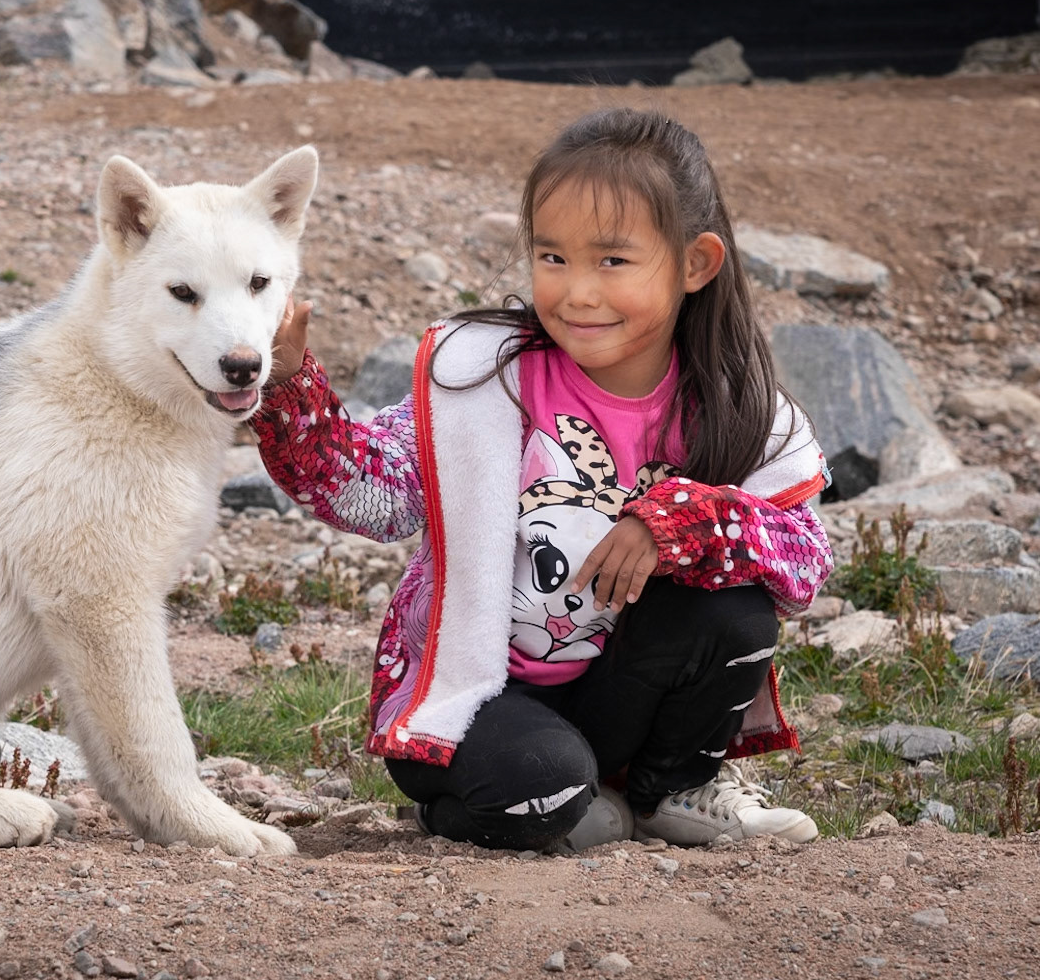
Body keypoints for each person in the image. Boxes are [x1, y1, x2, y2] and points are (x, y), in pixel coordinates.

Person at [251, 107, 833, 852]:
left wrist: (680, 519)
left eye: (611, 261)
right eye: (552, 257)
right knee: (541, 781)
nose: (576, 292)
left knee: (735, 614)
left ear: (695, 264)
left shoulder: (740, 411)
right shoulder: (482, 377)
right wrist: (292, 388)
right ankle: (482, 805)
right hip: (481, 703)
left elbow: (803, 563)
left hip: (613, 695)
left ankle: (670, 789)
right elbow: (374, 491)